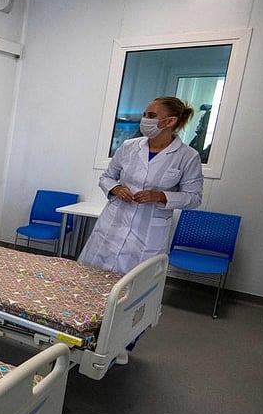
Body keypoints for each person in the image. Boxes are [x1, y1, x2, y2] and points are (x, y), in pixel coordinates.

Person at [78, 96, 204, 364]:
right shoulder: (129, 146)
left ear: (169, 122)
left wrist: (162, 197)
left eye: (150, 114)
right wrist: (114, 188)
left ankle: (121, 346)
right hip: (112, 226)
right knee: (91, 286)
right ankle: (83, 340)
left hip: (147, 237)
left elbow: (194, 197)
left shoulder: (187, 156)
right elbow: (107, 176)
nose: (144, 119)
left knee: (132, 294)